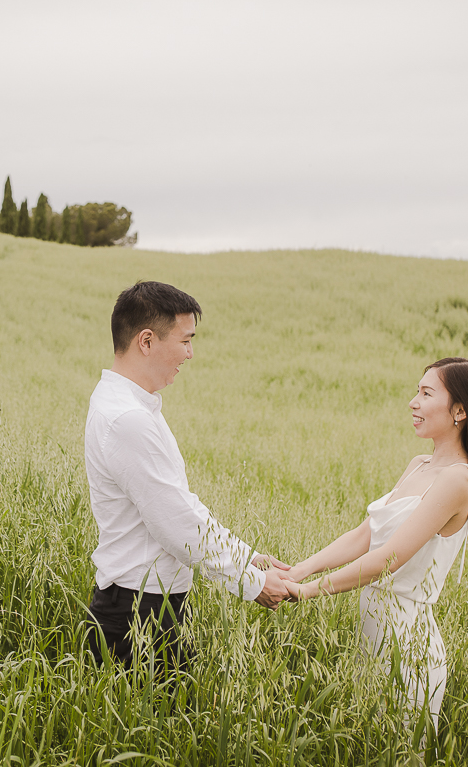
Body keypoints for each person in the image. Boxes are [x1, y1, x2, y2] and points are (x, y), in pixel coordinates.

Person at [282, 357, 468, 730]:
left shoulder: (459, 480)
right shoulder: (420, 464)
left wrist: (305, 592)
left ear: (460, 411)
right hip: (372, 635)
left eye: (426, 392)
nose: (412, 402)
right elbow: (364, 535)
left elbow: (388, 559)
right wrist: (298, 569)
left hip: (408, 649)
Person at [84, 281, 290, 676]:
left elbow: (181, 505)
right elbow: (176, 523)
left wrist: (248, 557)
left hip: (144, 603)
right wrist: (250, 581)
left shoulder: (130, 405)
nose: (190, 354)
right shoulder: (129, 419)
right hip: (137, 613)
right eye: (185, 340)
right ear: (147, 341)